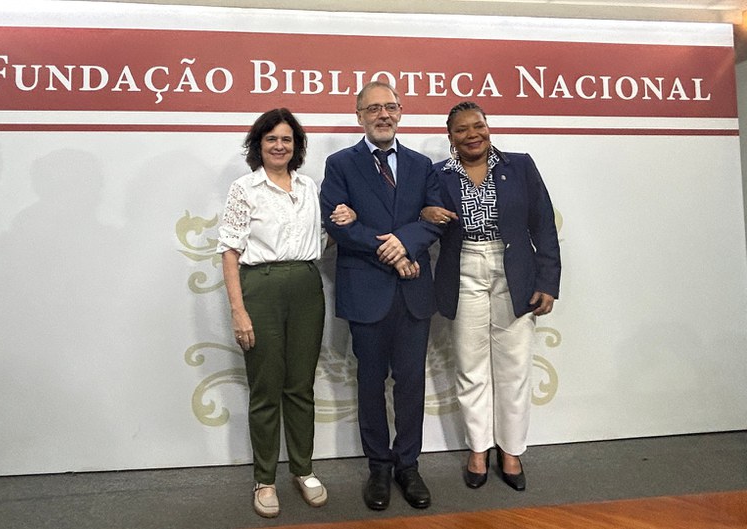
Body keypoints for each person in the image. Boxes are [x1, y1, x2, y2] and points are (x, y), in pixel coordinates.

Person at [217, 108, 353, 518]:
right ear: (258, 145)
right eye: (272, 139)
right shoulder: (245, 188)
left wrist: (346, 220)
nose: (279, 146)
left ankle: (303, 469)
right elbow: (229, 251)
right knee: (265, 388)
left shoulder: (309, 187)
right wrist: (239, 312)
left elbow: (321, 241)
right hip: (261, 287)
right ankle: (264, 479)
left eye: (287, 140)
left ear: (297, 147)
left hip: (307, 287)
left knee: (300, 385)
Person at [422, 101, 561, 491]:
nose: (472, 134)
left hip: (513, 269)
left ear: (488, 128)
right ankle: (479, 449)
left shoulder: (520, 165)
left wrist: (548, 282)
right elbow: (424, 216)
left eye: (478, 126)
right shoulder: (437, 175)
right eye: (462, 129)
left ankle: (511, 451)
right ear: (451, 137)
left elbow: (543, 224)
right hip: (463, 268)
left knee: (514, 366)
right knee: (471, 366)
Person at [320, 81, 444, 511]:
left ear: (401, 112)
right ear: (359, 116)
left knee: (410, 383)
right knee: (370, 383)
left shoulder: (422, 164)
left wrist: (405, 242)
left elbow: (435, 217)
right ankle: (378, 466)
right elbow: (336, 223)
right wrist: (388, 250)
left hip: (412, 292)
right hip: (366, 290)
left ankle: (408, 465)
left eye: (390, 106)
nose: (383, 114)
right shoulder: (340, 164)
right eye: (373, 108)